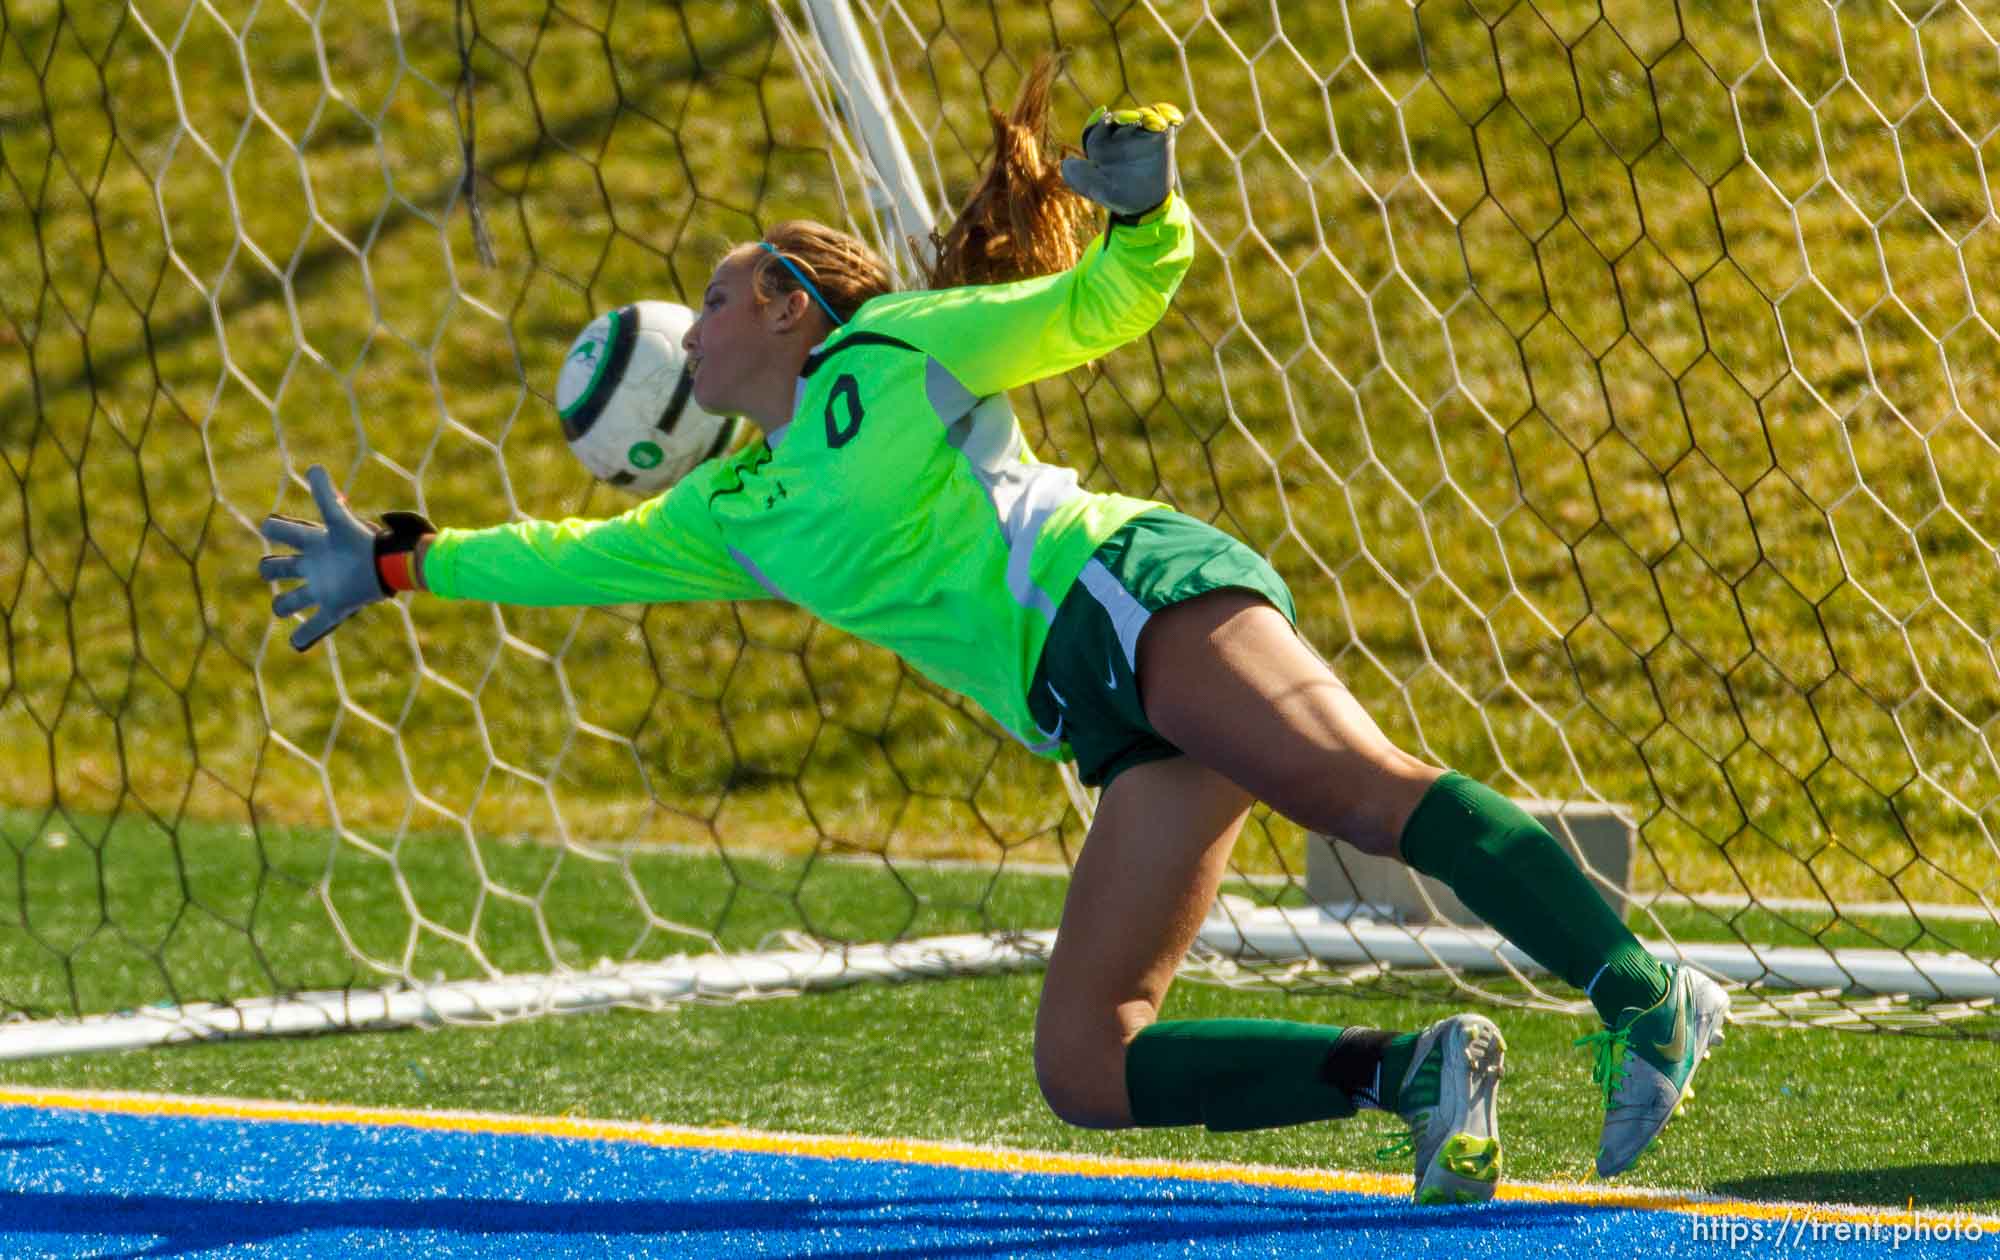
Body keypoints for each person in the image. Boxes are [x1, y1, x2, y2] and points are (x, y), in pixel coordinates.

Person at [258, 60, 1725, 1202]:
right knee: (1089, 1063)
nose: (690, 324)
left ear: (779, 304)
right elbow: (571, 557)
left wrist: (1147, 209)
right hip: (1099, 710)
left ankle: (1645, 997)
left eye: (706, 297)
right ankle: (1413, 1075)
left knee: (1356, 793)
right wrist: (405, 569)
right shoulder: (736, 511)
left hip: (1124, 589)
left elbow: (1096, 302)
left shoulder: (894, 352)